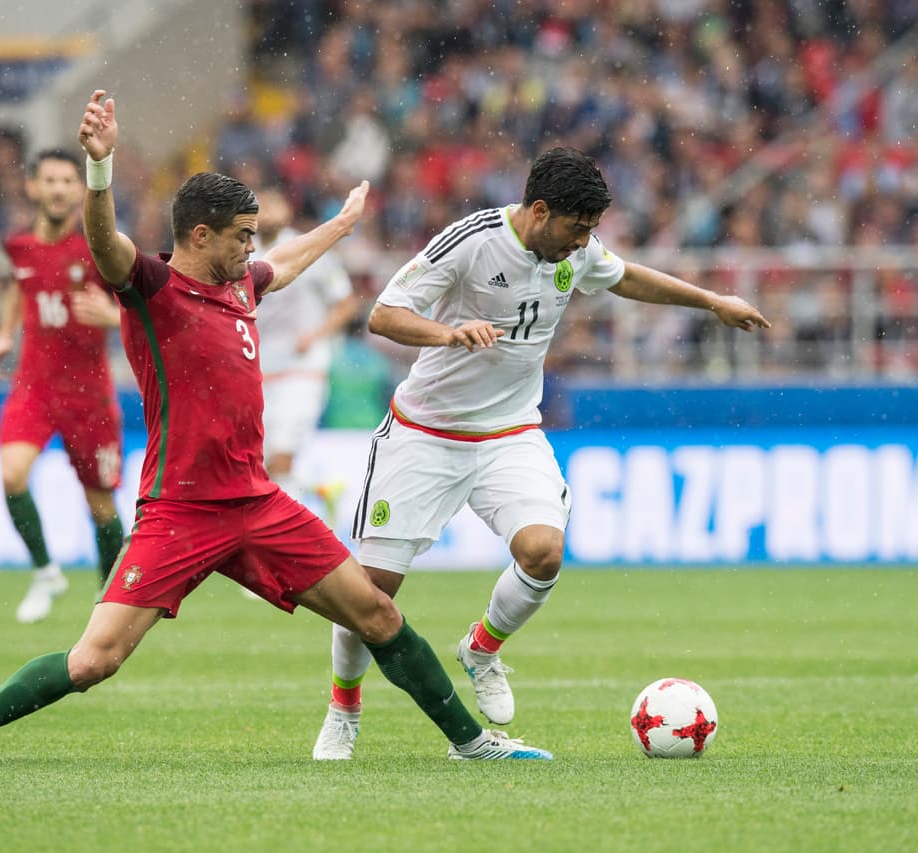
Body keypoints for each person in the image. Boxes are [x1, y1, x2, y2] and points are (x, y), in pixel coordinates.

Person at [0, 90, 548, 765]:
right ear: (201, 235)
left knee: (377, 613)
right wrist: (99, 170)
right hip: (180, 511)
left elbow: (281, 264)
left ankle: (473, 742)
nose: (254, 247)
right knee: (93, 659)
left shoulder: (240, 284)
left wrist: (340, 226)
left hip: (256, 502)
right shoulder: (153, 289)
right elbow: (105, 244)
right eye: (243, 235)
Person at [312, 147, 771, 759]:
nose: (584, 243)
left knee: (543, 551)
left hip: (509, 433)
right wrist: (447, 333)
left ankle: (481, 648)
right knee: (369, 593)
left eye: (591, 232)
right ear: (539, 210)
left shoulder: (576, 251)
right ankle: (344, 707)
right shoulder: (470, 241)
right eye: (577, 229)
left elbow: (626, 276)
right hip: (425, 432)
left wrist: (712, 301)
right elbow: (384, 315)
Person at [0, 148, 126, 623]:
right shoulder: (19, 246)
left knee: (100, 505)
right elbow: (18, 289)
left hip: (90, 396)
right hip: (34, 388)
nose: (60, 189)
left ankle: (109, 603)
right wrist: (3, 336)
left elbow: (143, 305)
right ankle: (45, 572)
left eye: (68, 181)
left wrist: (113, 316)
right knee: (11, 473)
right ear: (33, 187)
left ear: (80, 190)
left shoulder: (99, 249)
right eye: (51, 180)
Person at [253, 187, 359, 507]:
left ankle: (286, 551)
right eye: (262, 206)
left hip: (303, 369)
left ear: (288, 210)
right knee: (264, 468)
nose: (268, 212)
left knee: (282, 457)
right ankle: (321, 491)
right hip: (260, 371)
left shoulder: (308, 250)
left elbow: (347, 304)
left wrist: (314, 336)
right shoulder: (242, 253)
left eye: (274, 203)